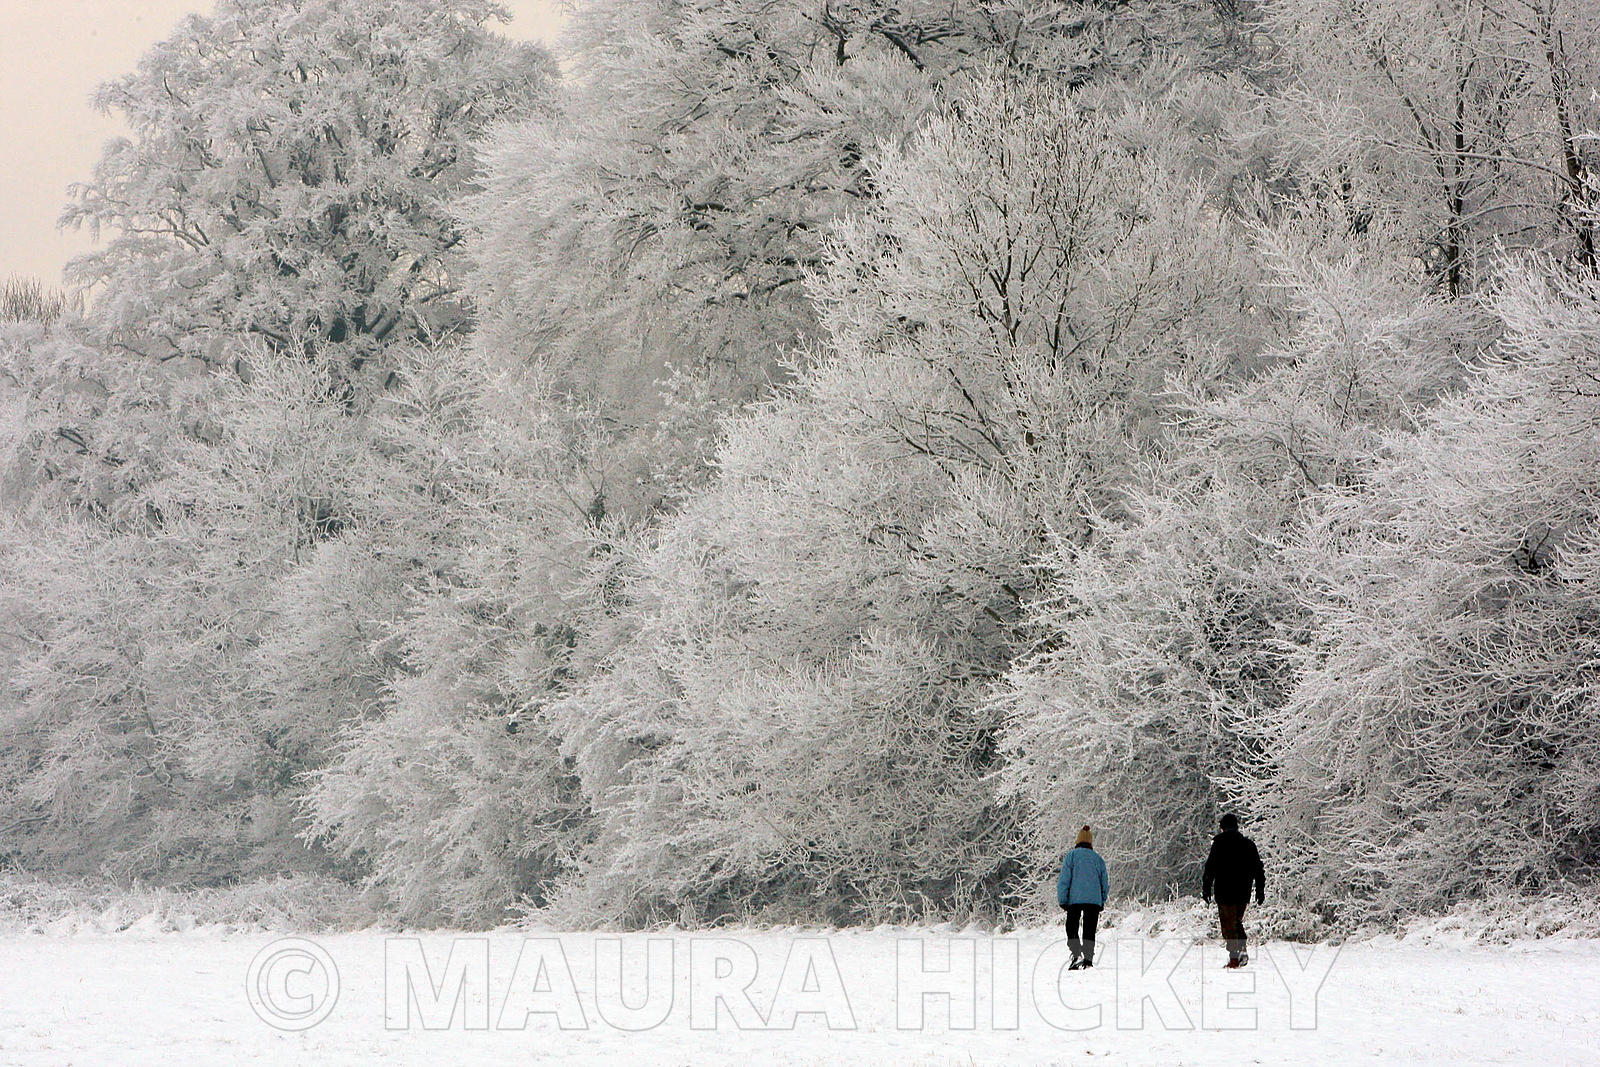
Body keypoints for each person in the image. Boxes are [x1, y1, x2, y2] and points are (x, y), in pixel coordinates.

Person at [1201, 812, 1266, 969]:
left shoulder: (1219, 844)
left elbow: (1210, 868)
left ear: (1222, 828)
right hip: (1243, 891)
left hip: (1224, 890)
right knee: (1236, 921)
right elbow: (1258, 869)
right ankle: (1241, 951)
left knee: (1229, 925)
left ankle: (1235, 958)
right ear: (1236, 827)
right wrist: (1259, 890)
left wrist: (1206, 889)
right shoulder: (1248, 845)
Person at [1056, 825, 1109, 970]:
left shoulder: (1071, 857)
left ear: (1077, 840)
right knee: (1089, 929)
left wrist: (1063, 899)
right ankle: (1088, 960)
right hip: (1093, 900)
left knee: (1071, 927)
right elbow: (1104, 881)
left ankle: (1076, 953)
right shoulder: (1098, 859)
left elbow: (1064, 880)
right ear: (1090, 842)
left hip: (1075, 900)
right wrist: (1102, 899)